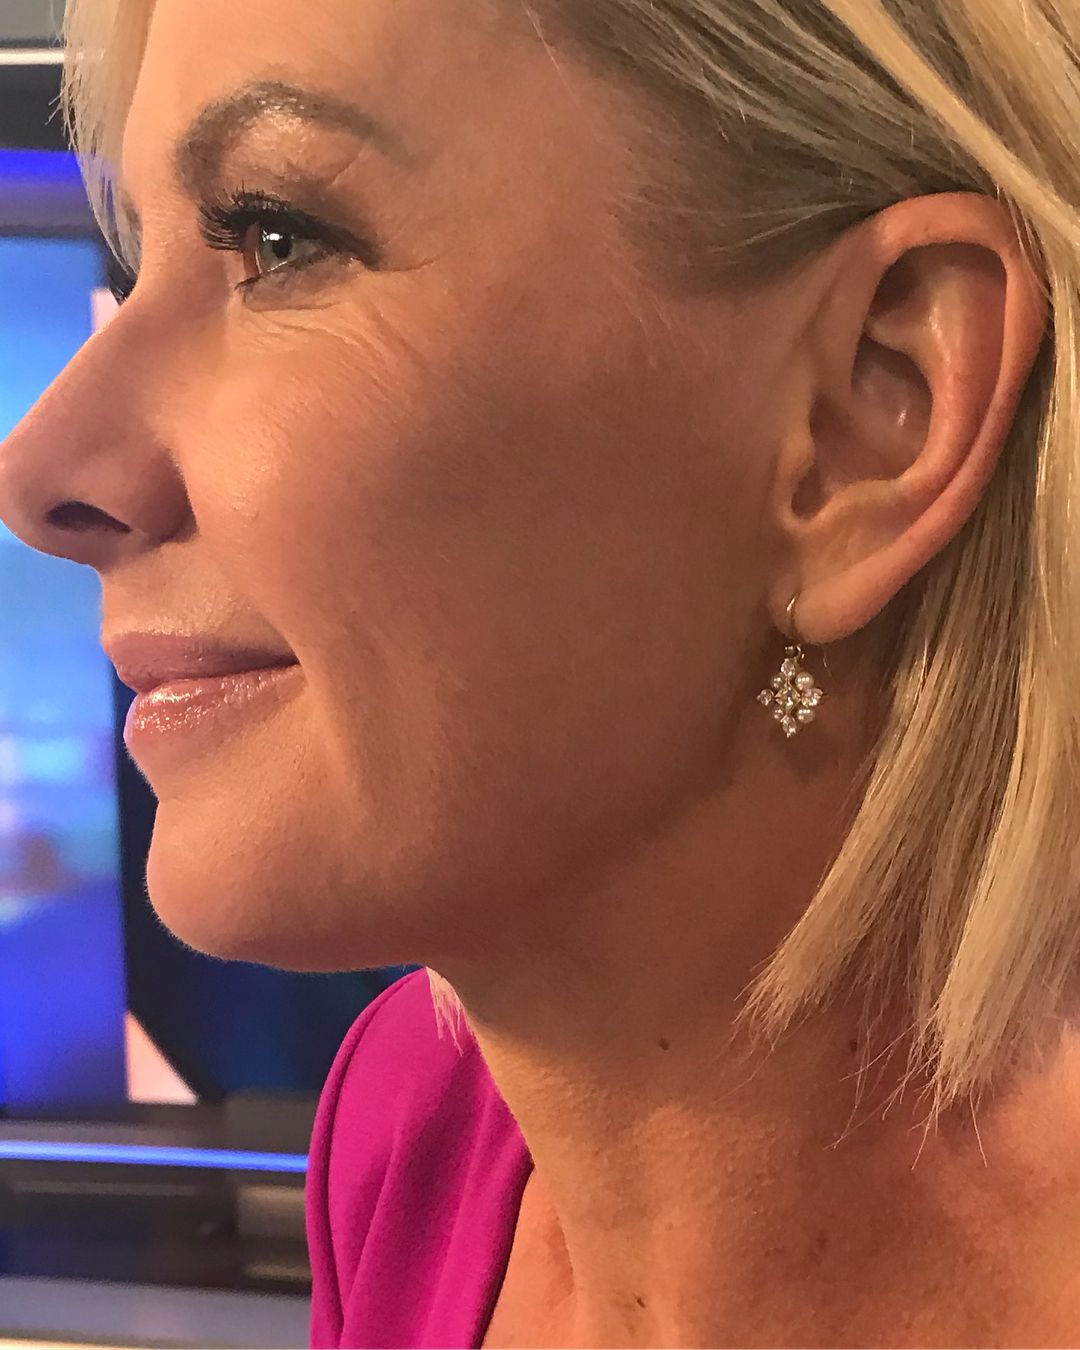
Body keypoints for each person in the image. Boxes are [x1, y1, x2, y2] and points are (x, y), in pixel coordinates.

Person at [0, 0, 1077, 1342]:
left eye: (278, 239)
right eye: (136, 262)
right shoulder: (408, 1120)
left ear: (872, 409)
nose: (40, 471)